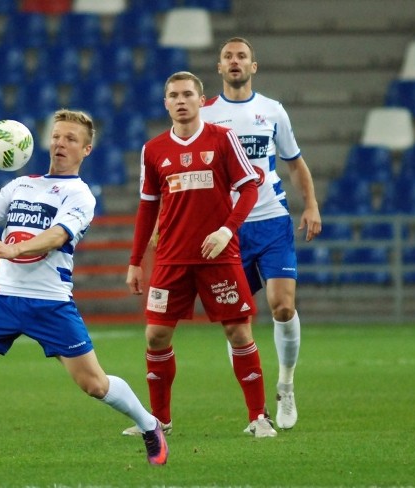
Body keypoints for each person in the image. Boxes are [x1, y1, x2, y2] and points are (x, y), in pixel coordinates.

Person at [0, 109, 169, 465]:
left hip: (50, 303)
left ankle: (149, 425)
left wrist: (12, 249)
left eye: (71, 139)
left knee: (95, 385)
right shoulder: (21, 184)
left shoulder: (80, 195)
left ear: (86, 150)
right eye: (57, 136)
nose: (61, 143)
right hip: (3, 299)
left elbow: (57, 236)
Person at [122, 71, 277, 438]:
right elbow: (147, 208)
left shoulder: (223, 140)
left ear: (200, 99)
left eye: (187, 94)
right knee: (156, 336)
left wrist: (227, 230)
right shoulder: (154, 149)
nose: (180, 101)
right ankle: (159, 421)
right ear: (166, 103)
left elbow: (250, 190)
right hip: (172, 259)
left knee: (238, 332)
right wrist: (134, 261)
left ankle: (258, 417)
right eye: (173, 95)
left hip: (219, 258)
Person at [200, 37, 323, 430]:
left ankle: (286, 385)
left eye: (241, 56)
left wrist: (311, 205)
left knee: (282, 306)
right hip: (227, 229)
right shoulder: (204, 114)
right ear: (219, 67)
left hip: (271, 220)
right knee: (236, 322)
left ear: (254, 66)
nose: (234, 62)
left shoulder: (272, 111)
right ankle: (255, 410)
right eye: (227, 57)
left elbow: (295, 163)